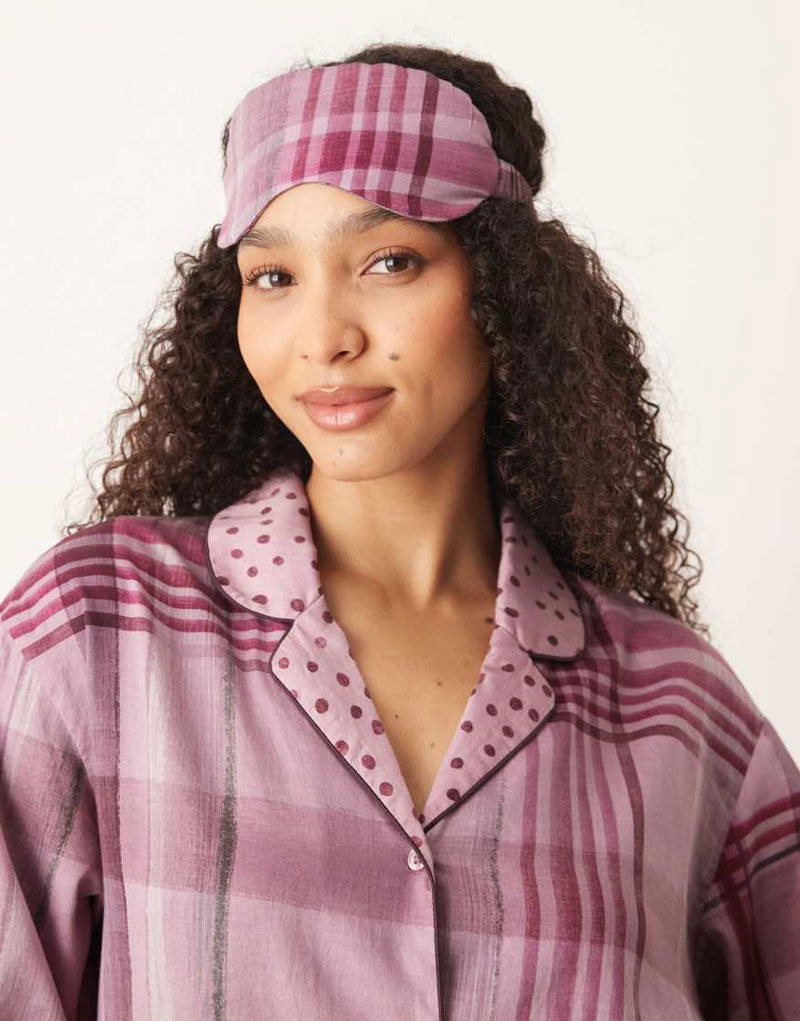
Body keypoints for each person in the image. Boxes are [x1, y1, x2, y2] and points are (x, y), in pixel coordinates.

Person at [0, 40, 797, 1021]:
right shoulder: (96, 635)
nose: (324, 336)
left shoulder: (678, 711)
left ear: (500, 287)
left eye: (389, 262)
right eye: (273, 277)